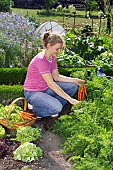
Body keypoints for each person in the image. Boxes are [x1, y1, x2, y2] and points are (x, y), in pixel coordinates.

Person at [24, 32, 85, 118]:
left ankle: (49, 106)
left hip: (45, 89)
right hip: (33, 93)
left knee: (73, 86)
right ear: (49, 46)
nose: (59, 51)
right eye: (57, 49)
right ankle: (36, 111)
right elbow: (52, 84)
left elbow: (57, 77)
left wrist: (75, 80)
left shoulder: (52, 57)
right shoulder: (41, 60)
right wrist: (70, 100)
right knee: (57, 108)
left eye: (60, 49)